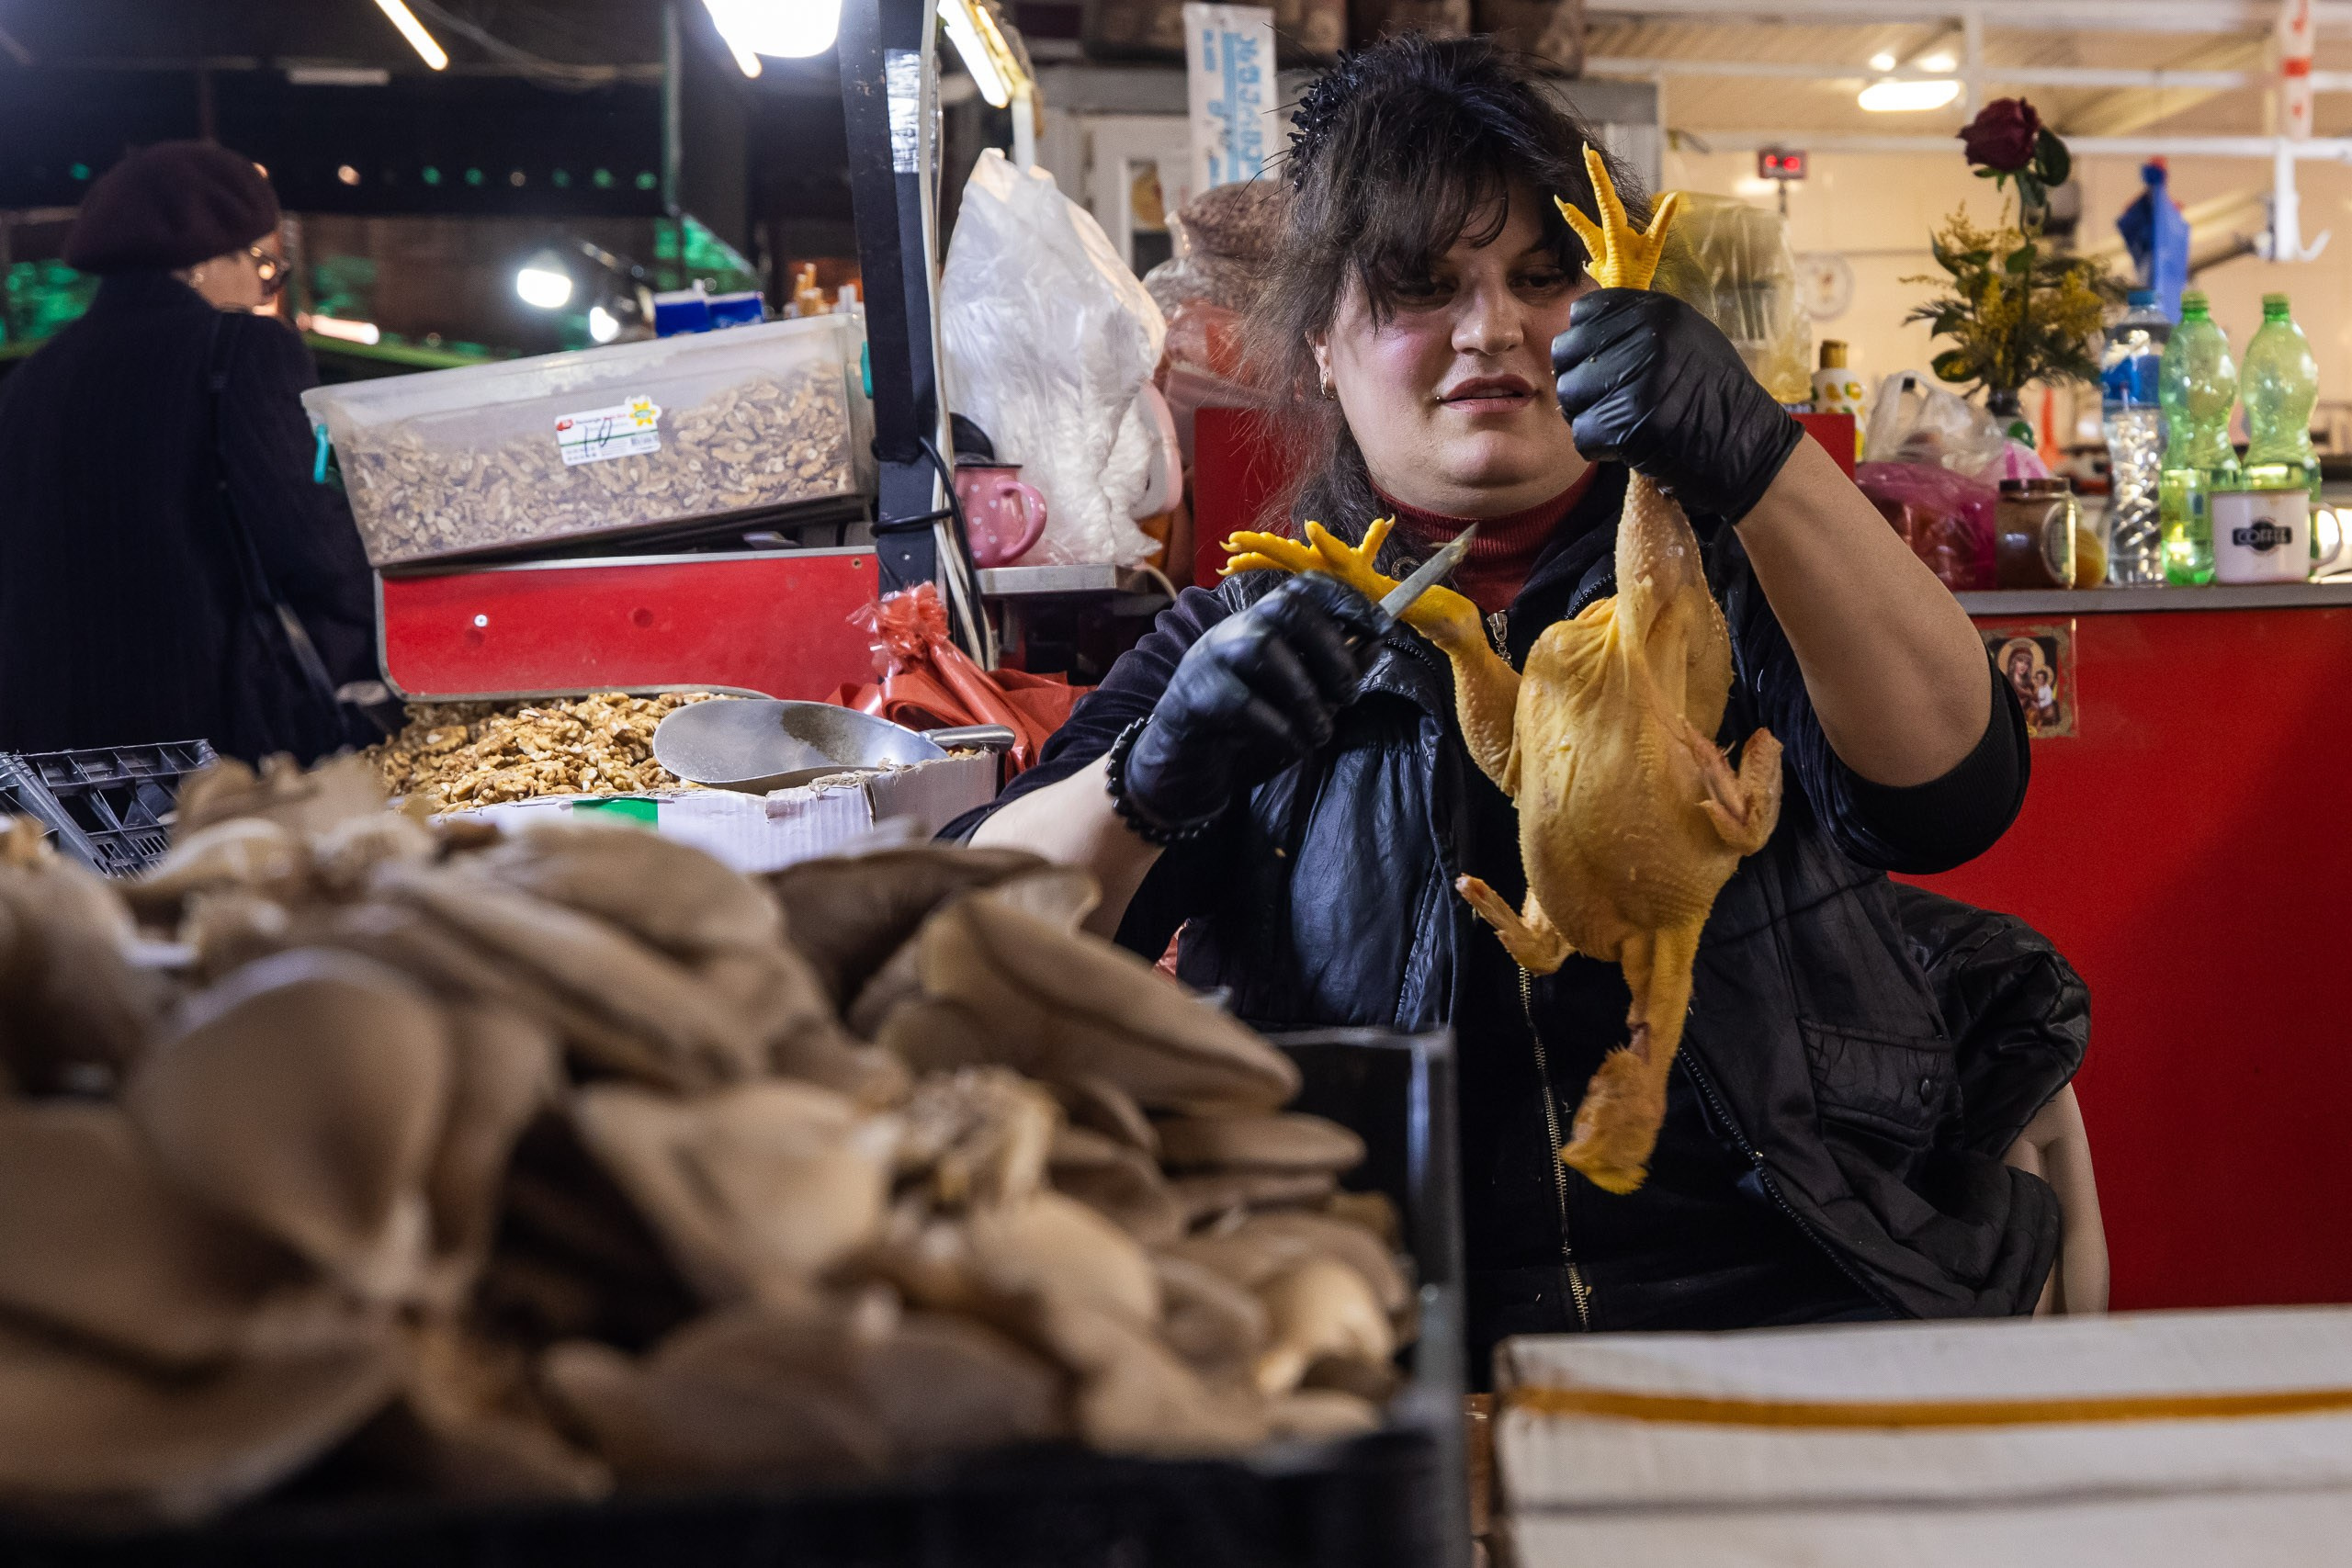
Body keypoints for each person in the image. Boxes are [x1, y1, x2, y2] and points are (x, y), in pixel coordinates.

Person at [956, 37, 2083, 1379]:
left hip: (1792, 1301)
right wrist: (1149, 778)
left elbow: (1954, 791)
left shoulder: (1740, 580)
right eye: (1421, 286)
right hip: (1393, 1341)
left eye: (1543, 278)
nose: (1492, 328)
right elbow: (967, 959)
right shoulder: (1232, 645)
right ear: (1319, 344)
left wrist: (1762, 459)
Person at [0, 141, 379, 763]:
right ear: (202, 262)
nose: (263, 289)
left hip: (52, 751)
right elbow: (303, 534)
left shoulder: (29, 381)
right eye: (262, 265)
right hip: (204, 733)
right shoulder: (242, 349)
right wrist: (385, 610)